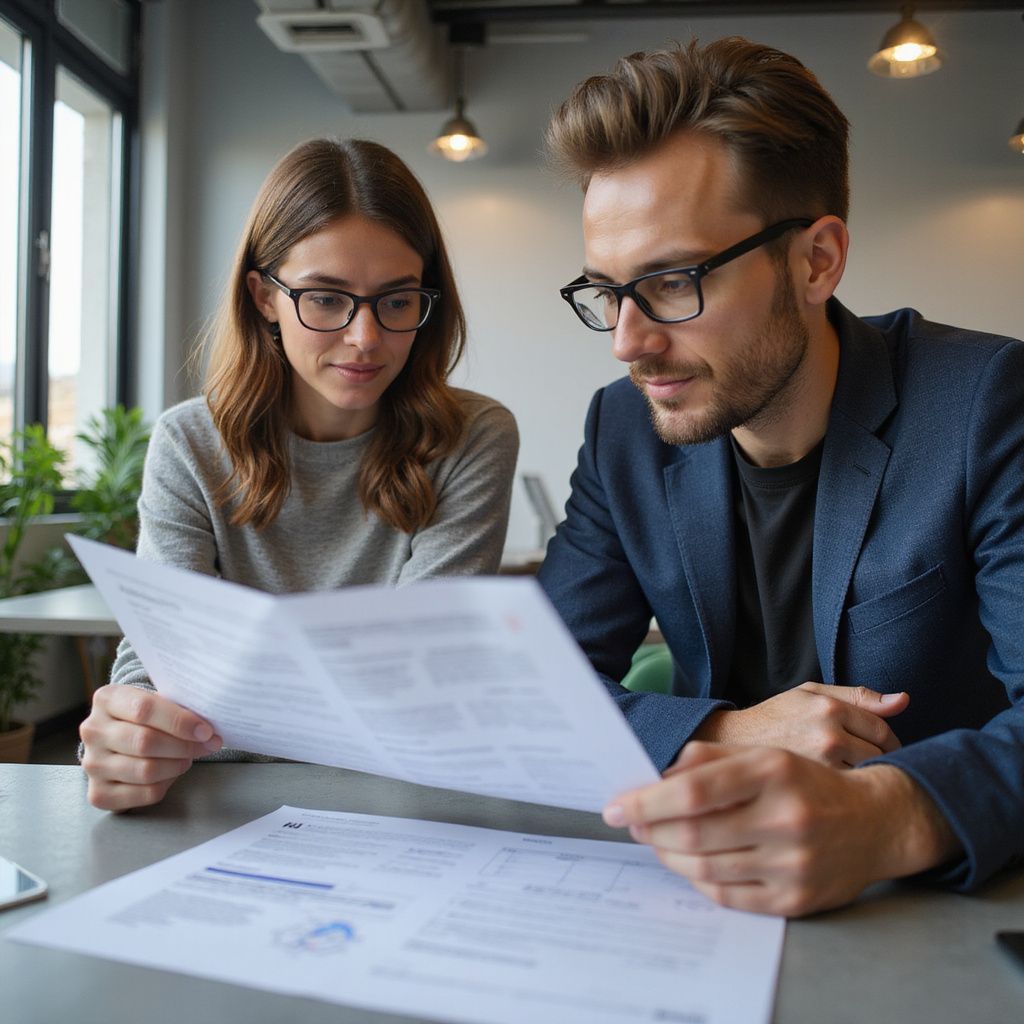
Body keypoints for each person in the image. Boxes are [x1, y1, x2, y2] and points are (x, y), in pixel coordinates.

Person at [538, 38, 1024, 917]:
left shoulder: (985, 404)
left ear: (816, 261)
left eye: (673, 282)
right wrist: (727, 728)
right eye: (607, 291)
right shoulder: (622, 431)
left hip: (929, 917)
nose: (628, 342)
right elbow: (539, 689)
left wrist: (891, 815)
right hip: (693, 902)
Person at [80, 138, 519, 812]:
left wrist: (222, 713)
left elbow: (418, 685)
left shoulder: (470, 437)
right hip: (223, 808)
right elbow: (160, 669)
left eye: (397, 301)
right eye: (325, 299)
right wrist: (132, 732)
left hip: (395, 805)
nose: (366, 338)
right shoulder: (190, 442)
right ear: (263, 297)